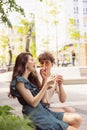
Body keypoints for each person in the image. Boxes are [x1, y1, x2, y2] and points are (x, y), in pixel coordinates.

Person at [8, 52, 82, 130]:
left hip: (43, 111)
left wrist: (45, 80)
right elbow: (33, 103)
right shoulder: (19, 81)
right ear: (25, 63)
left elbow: (43, 100)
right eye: (32, 60)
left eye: (47, 63)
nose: (35, 63)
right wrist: (46, 84)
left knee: (77, 119)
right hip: (36, 115)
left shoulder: (30, 80)